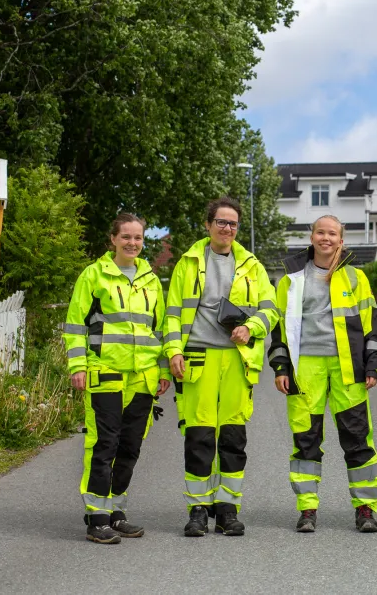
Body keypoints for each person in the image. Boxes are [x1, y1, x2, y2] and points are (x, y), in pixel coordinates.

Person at [164, 196, 277, 537]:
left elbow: (270, 309)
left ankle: (228, 509)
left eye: (233, 224)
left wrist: (251, 327)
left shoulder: (252, 265)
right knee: (199, 438)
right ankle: (198, 510)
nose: (227, 228)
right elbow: (172, 313)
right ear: (208, 224)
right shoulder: (188, 262)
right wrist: (173, 351)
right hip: (198, 358)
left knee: (232, 438)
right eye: (221, 222)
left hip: (236, 361)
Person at [268, 215, 377, 533]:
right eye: (321, 232)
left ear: (341, 240)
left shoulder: (356, 278)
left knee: (358, 440)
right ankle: (307, 510)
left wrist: (372, 364)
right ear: (312, 236)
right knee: (306, 441)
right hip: (305, 368)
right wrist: (281, 367)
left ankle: (365, 509)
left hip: (348, 369)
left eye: (332, 233)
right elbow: (279, 328)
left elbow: (372, 324)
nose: (326, 238)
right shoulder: (291, 278)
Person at [64, 213, 171, 544]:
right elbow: (75, 325)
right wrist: (78, 366)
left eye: (138, 238)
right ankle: (96, 517)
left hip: (143, 377)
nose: (133, 243)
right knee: (103, 443)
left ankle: (115, 511)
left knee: (130, 446)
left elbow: (161, 328)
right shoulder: (94, 275)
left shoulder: (151, 280)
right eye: (126, 237)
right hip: (105, 373)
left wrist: (164, 369)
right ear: (112, 239)